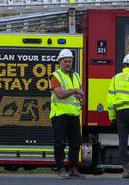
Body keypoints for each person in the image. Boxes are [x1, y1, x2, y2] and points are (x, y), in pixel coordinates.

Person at [51, 48, 85, 179]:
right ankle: (61, 169)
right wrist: (75, 90)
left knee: (76, 143)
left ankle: (73, 169)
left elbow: (78, 94)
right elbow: (59, 94)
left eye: (69, 61)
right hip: (60, 115)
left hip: (74, 115)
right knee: (59, 143)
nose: (67, 63)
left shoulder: (76, 75)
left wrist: (80, 97)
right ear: (60, 61)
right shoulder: (55, 76)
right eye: (65, 61)